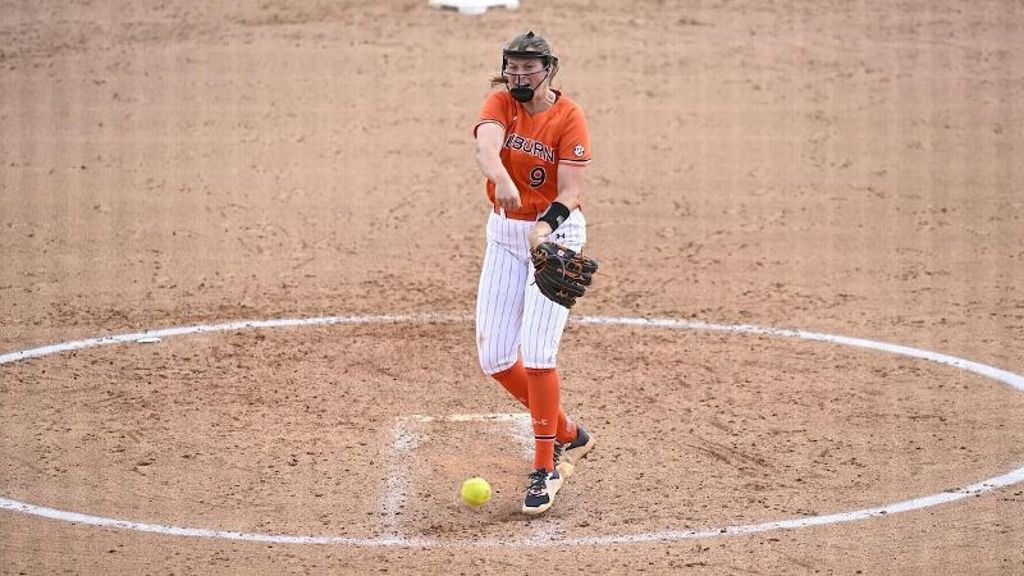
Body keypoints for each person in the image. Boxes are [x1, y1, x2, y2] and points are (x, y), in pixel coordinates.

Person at [473, 31, 596, 515]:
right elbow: (487, 148)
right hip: (504, 234)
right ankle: (570, 432)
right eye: (513, 66)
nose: (519, 75)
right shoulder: (501, 101)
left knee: (540, 353)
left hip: (555, 238)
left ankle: (546, 465)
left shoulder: (570, 117)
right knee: (497, 357)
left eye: (529, 67)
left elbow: (570, 191)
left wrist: (544, 227)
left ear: (549, 69)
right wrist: (501, 177)